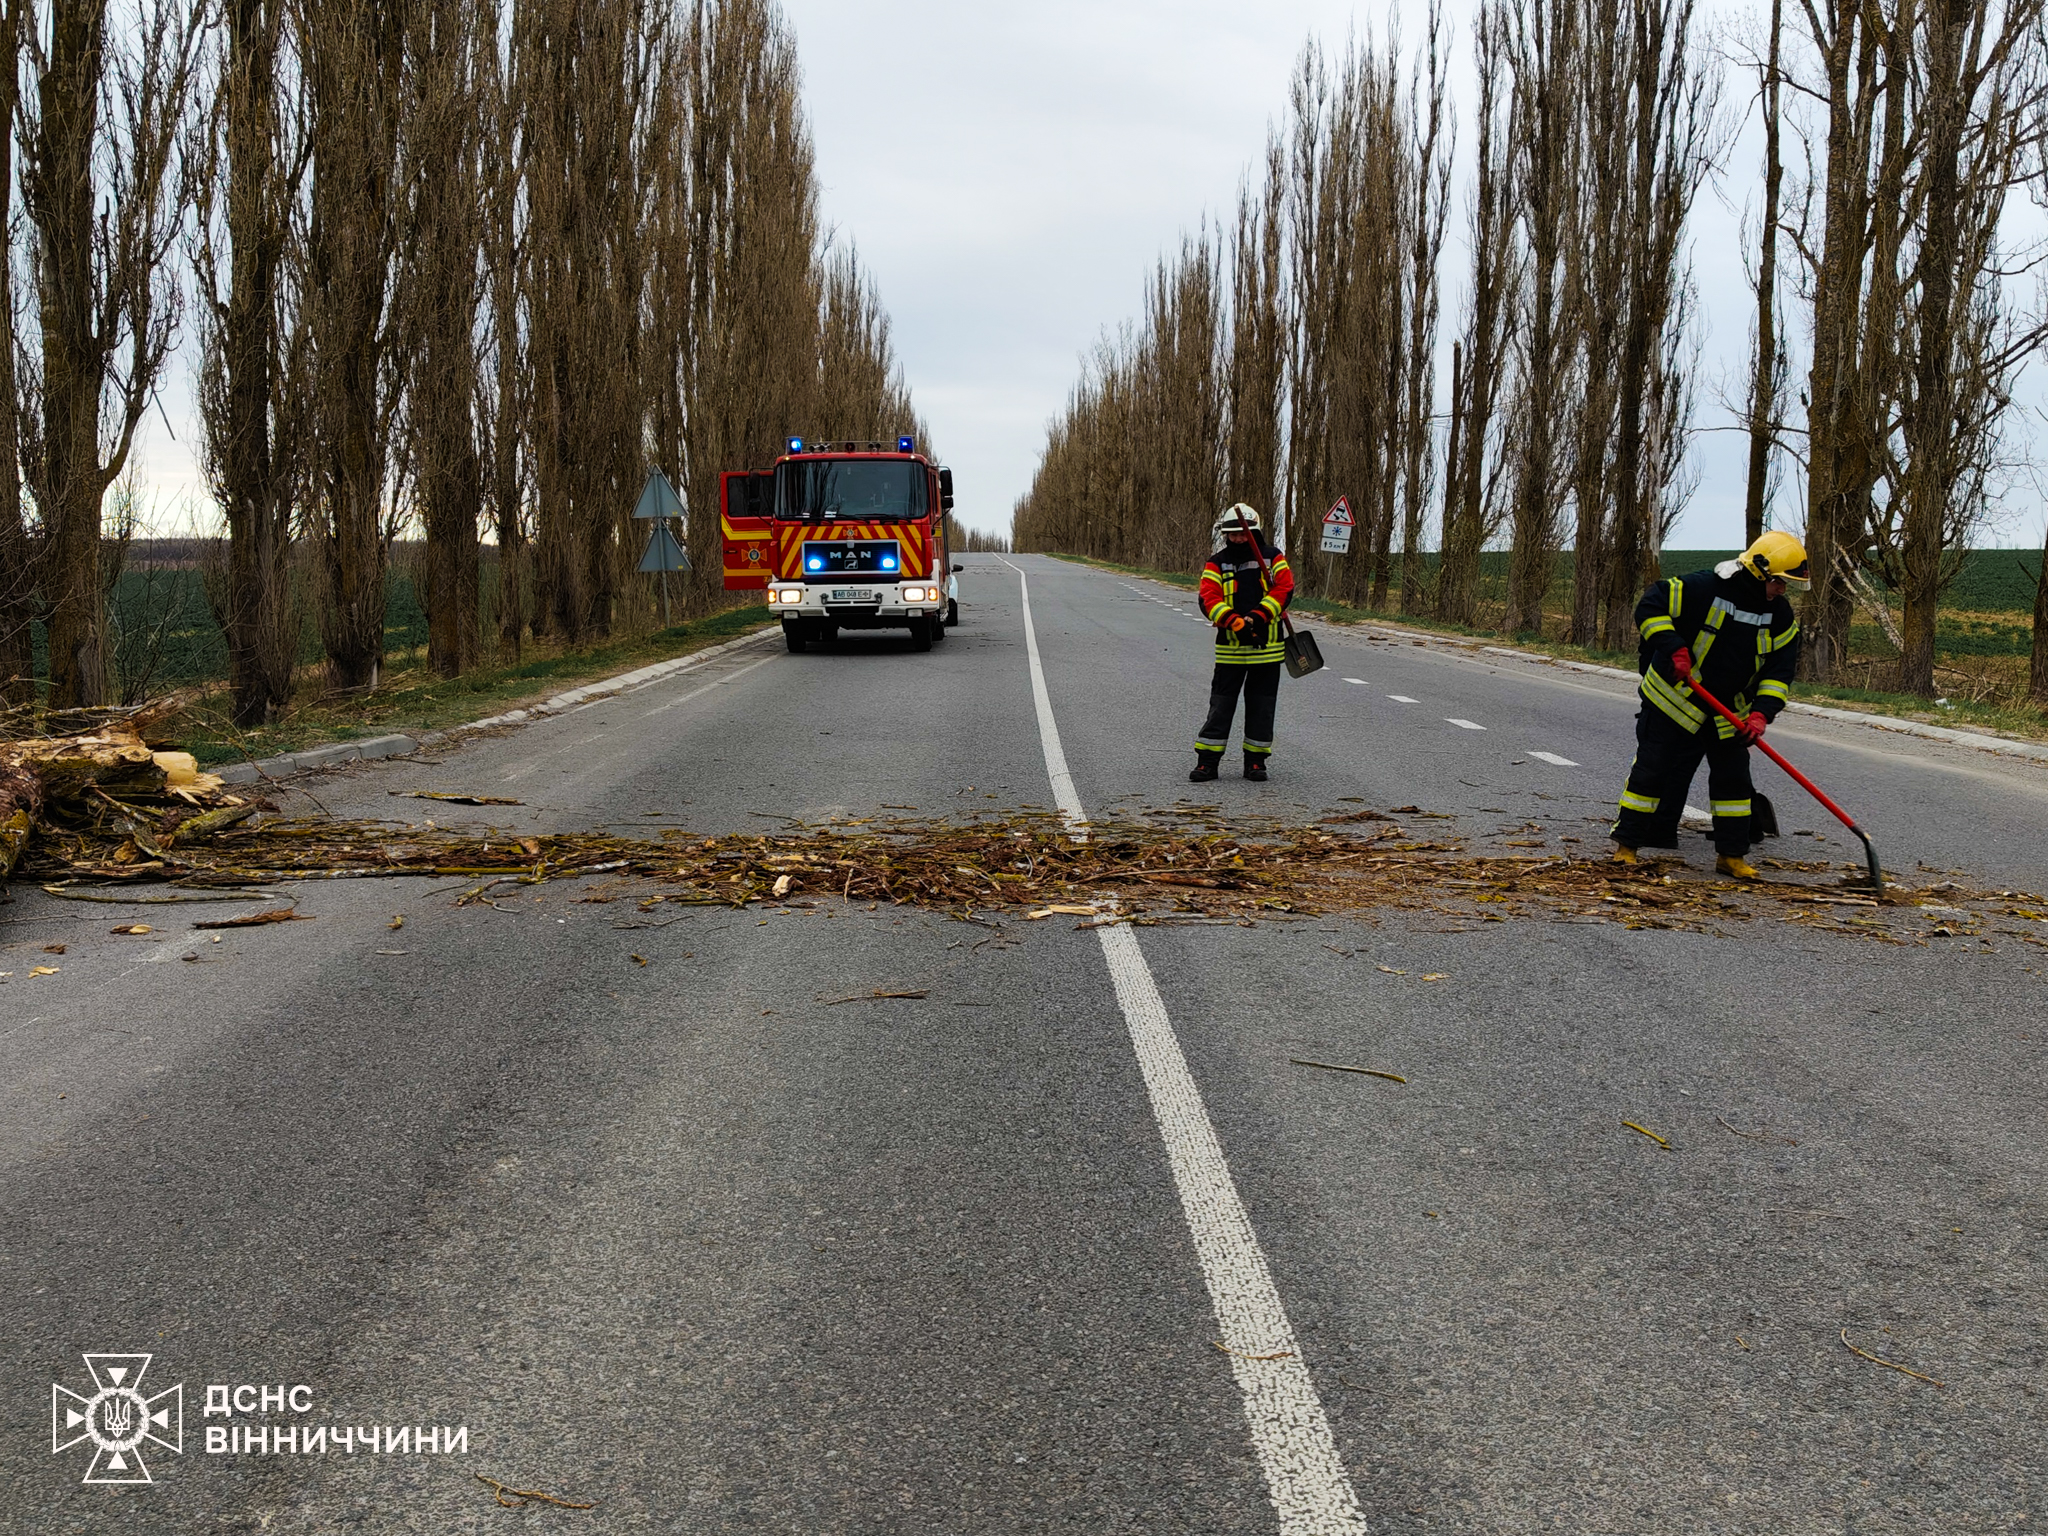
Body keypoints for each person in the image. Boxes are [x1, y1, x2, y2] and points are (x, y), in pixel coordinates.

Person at [1612, 531, 1806, 878]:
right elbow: (1651, 605)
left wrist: (1761, 713)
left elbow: (1780, 671)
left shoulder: (1780, 616)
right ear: (1759, 572)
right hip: (1674, 699)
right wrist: (1673, 647)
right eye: (1779, 581)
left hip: (1728, 712)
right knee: (1652, 771)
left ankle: (1731, 855)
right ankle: (1627, 847)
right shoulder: (1703, 588)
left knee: (1733, 781)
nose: (1782, 590)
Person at [1191, 504, 1293, 783]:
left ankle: (1256, 763)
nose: (1237, 539)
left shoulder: (1273, 557)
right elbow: (1208, 598)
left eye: (1242, 534)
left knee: (1261, 708)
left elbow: (1284, 590)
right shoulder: (1217, 561)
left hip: (1268, 650)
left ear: (1254, 531)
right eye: (1232, 534)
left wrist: (1257, 618)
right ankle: (1207, 763)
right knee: (1220, 707)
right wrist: (1236, 623)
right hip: (1230, 650)